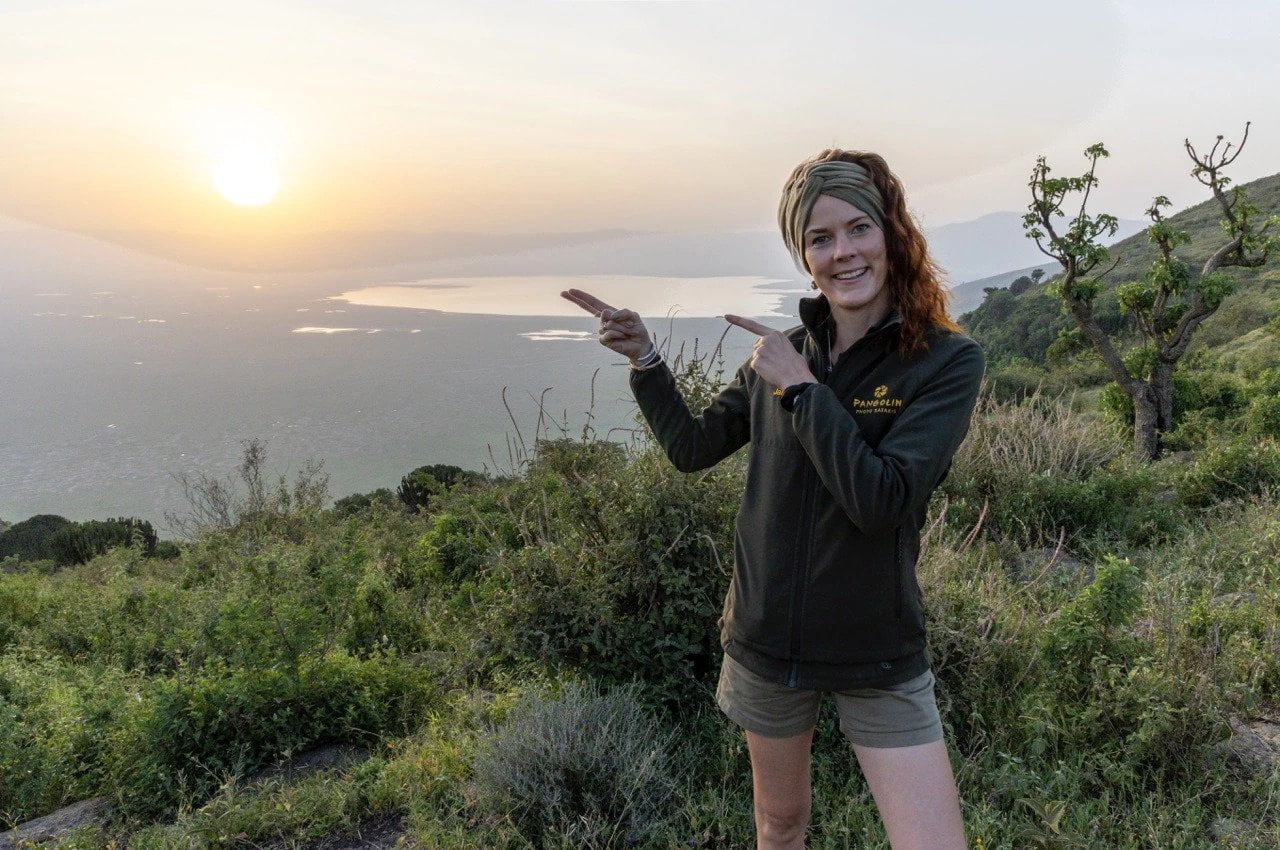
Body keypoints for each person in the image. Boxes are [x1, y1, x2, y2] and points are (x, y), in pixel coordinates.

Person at [561, 149, 984, 850]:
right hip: (764, 643)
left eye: (858, 229)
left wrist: (804, 392)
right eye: (819, 239)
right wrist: (646, 361)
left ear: (892, 234)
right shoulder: (781, 352)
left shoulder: (942, 361)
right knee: (779, 825)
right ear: (802, 254)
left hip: (875, 650)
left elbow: (882, 501)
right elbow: (693, 449)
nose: (842, 252)